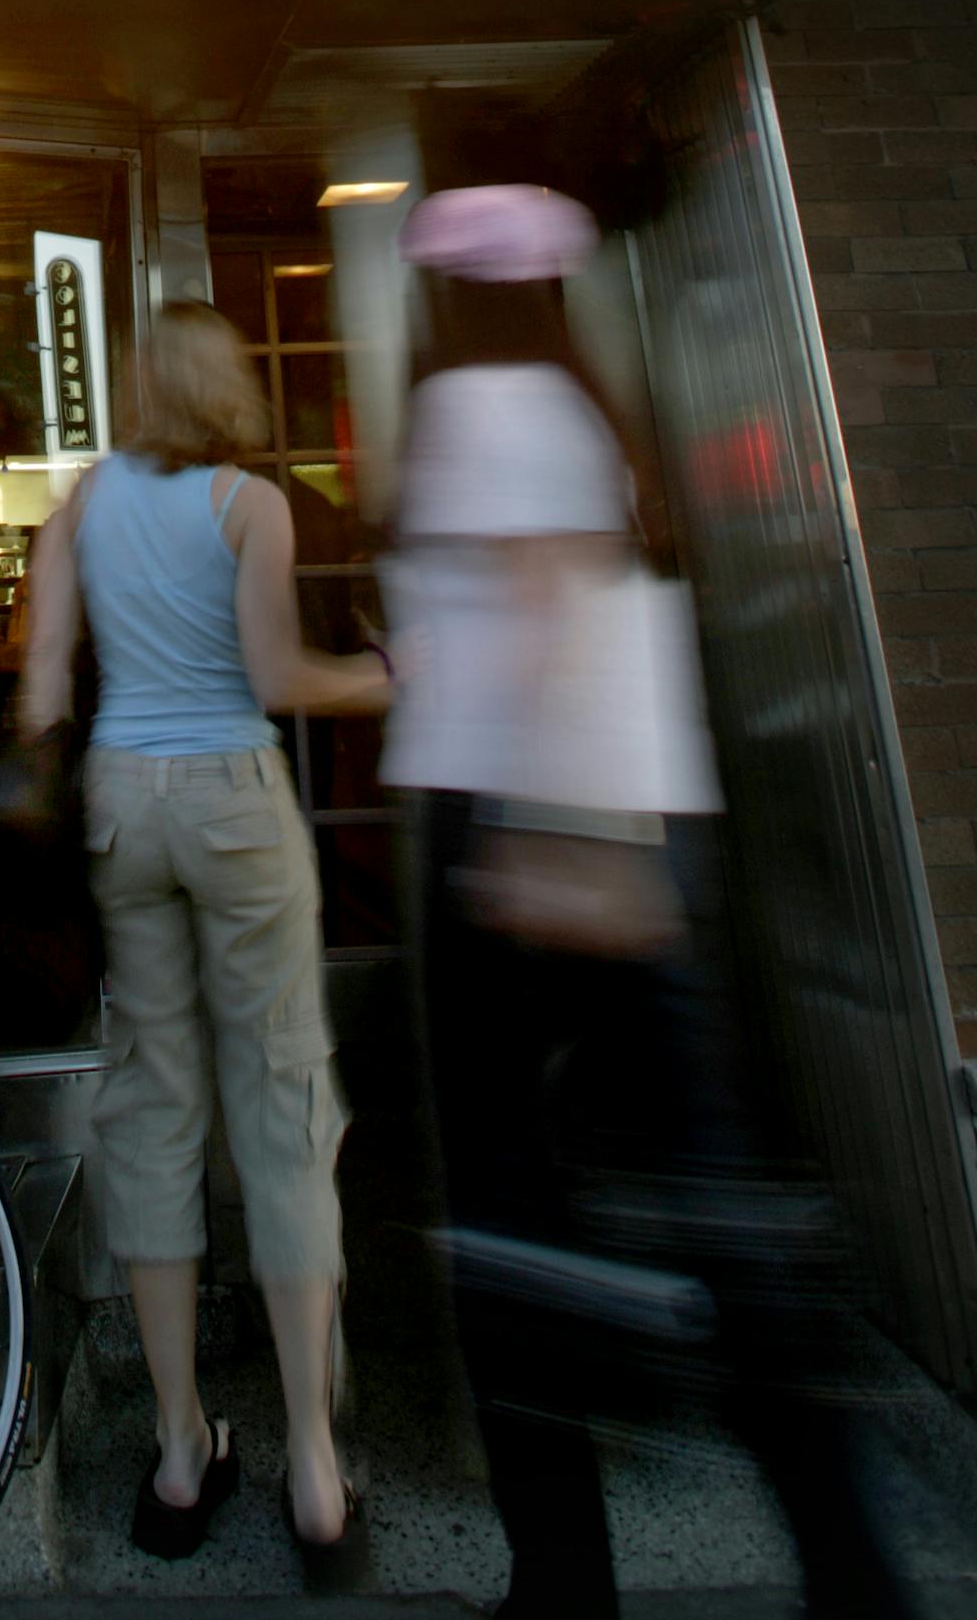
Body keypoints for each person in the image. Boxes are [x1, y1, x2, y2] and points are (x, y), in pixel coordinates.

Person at [386, 182, 922, 1620]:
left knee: (507, 1217)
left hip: (526, 823)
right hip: (636, 816)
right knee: (709, 1197)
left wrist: (542, 840)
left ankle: (568, 1578)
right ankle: (843, 1559)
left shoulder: (480, 407)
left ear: (450, 296)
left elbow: (549, 599)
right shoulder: (581, 408)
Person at [18, 300, 392, 1580]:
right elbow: (280, 676)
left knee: (154, 1106)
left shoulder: (80, 503)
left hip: (126, 803)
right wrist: (386, 677)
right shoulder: (252, 503)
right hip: (236, 804)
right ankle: (315, 1470)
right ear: (227, 386)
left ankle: (180, 1452)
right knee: (284, 1102)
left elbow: (44, 678)